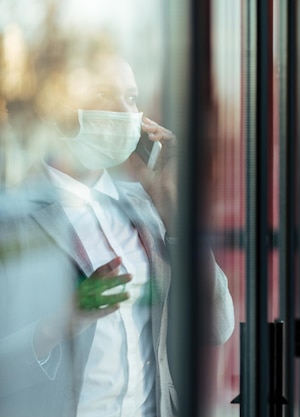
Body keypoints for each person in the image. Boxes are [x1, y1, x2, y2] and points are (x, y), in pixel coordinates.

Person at [0, 42, 234, 416]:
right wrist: (62, 322)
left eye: (130, 97)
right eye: (102, 94)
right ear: (60, 106)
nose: (126, 112)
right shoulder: (15, 214)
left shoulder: (145, 208)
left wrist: (175, 208)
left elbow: (216, 325)